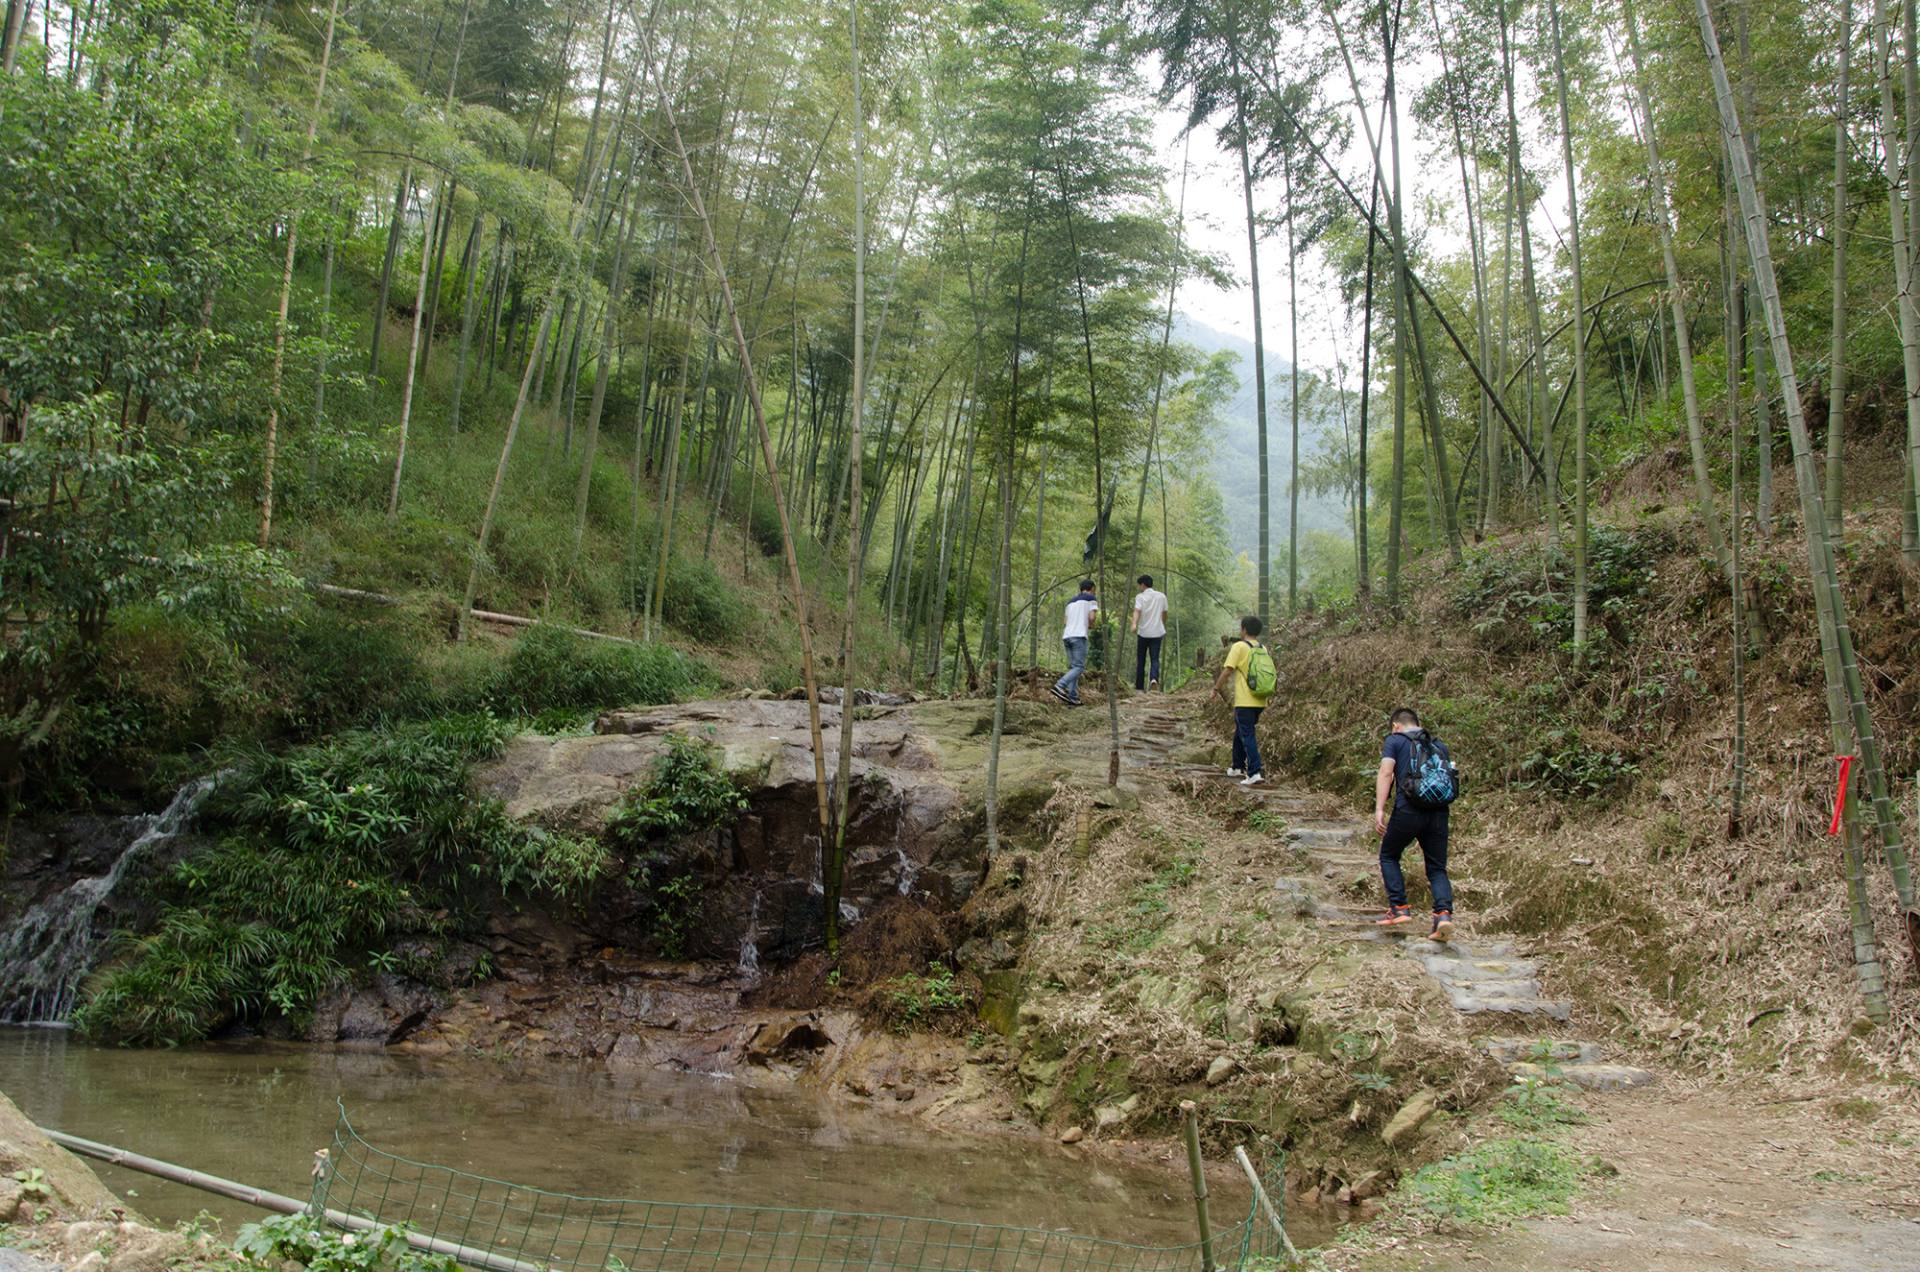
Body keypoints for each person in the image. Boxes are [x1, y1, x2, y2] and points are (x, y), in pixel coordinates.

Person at [1373, 707, 1455, 939]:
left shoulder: (1395, 740)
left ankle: (1399, 908)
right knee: (1437, 867)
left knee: (1389, 855)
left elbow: (1386, 772)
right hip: (1439, 812)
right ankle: (1443, 916)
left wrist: (1379, 809)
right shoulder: (1439, 745)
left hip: (1409, 810)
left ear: (1395, 726)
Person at [1211, 616, 1271, 787]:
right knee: (1241, 731)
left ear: (1244, 629)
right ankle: (1237, 767)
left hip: (1245, 700)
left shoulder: (1239, 646)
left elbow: (1228, 670)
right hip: (1260, 699)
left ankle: (1254, 772)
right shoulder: (1262, 648)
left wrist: (1216, 688)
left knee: (1247, 734)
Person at [1049, 580, 1099, 706]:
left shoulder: (1070, 602)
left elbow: (1065, 621)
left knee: (1073, 667)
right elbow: (1092, 617)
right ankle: (1060, 685)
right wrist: (1091, 625)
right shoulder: (1091, 598)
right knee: (1079, 667)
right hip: (1079, 635)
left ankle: (1073, 697)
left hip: (1067, 636)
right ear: (1092, 588)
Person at [1130, 575, 1169, 691]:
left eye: (1139, 585)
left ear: (1142, 584)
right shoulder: (1161, 596)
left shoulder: (1140, 597)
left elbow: (1137, 611)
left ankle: (1139, 687)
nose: (1139, 588)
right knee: (1155, 658)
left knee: (1141, 660)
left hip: (1143, 633)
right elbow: (1165, 613)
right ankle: (1154, 679)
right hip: (1157, 632)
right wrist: (1161, 623)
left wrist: (1134, 624)